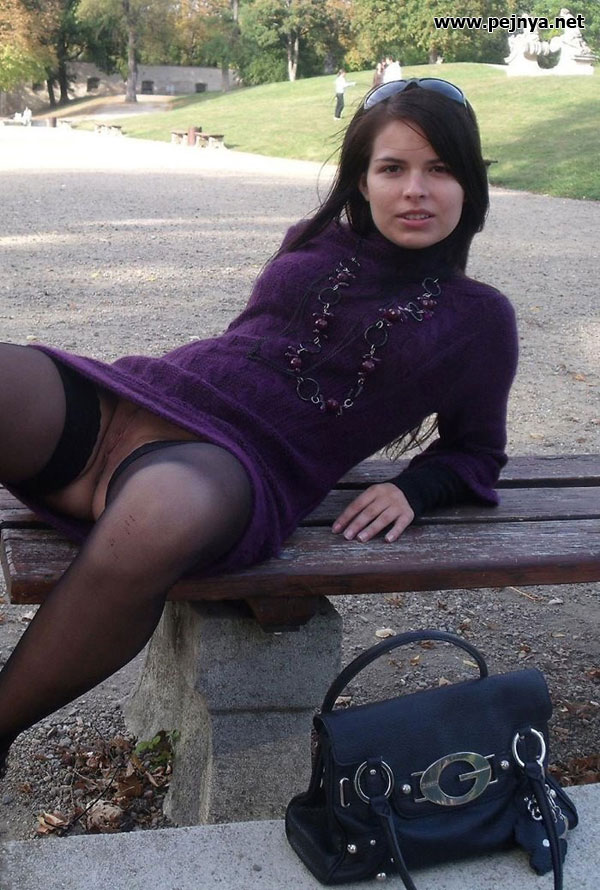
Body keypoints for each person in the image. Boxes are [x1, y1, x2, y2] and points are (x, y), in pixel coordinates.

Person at [0, 77, 518, 779]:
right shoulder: (313, 239)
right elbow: (254, 343)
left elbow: (477, 451)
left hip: (232, 468)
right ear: (362, 180)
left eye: (441, 169)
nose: (415, 191)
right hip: (136, 397)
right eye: (393, 168)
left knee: (156, 515)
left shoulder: (479, 319)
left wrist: (415, 488)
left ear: (470, 184)